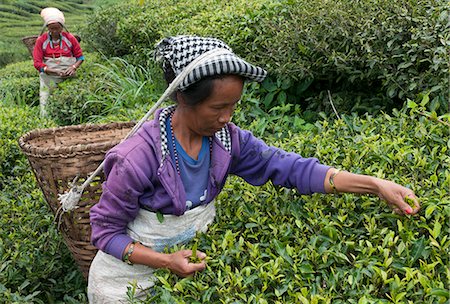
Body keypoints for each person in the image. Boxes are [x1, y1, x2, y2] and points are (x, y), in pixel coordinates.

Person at [87, 35, 420, 302]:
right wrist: (166, 262)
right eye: (218, 107)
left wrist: (375, 184)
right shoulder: (137, 157)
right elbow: (105, 233)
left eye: (233, 106)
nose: (227, 117)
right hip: (127, 281)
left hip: (189, 264)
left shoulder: (226, 141)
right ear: (184, 98)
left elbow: (291, 168)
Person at [32, 7, 84, 117]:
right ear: (47, 28)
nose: (55, 31)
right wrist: (52, 71)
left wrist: (73, 67)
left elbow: (80, 57)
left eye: (57, 28)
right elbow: (37, 63)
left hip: (68, 76)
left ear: (62, 27)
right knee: (46, 98)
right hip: (49, 78)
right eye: (52, 28)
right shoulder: (41, 41)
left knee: (69, 99)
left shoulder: (69, 38)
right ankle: (46, 121)